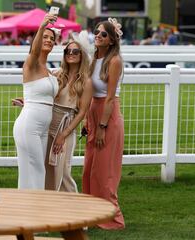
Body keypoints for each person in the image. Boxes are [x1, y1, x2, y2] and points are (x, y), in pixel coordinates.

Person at [82, 18, 125, 229]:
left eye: (103, 34)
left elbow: (109, 98)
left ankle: (112, 219)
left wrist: (102, 127)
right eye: (96, 32)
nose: (98, 36)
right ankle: (92, 215)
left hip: (107, 117)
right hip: (92, 115)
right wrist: (87, 120)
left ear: (111, 40)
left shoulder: (114, 61)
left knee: (104, 171)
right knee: (89, 168)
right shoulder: (93, 59)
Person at [13, 13, 59, 189]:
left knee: (31, 171)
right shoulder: (31, 64)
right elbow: (34, 51)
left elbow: (40, 97)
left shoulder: (49, 71)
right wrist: (42, 26)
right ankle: (36, 209)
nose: (48, 40)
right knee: (37, 169)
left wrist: (26, 101)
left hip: (42, 127)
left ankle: (27, 210)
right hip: (29, 125)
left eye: (52, 38)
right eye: (45, 37)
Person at [45, 31, 93, 192]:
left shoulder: (86, 81)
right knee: (48, 170)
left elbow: (82, 113)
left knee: (63, 172)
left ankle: (76, 208)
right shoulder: (57, 74)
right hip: (48, 126)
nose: (71, 54)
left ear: (82, 55)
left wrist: (63, 135)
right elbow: (44, 97)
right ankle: (51, 207)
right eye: (68, 51)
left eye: (75, 51)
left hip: (66, 128)